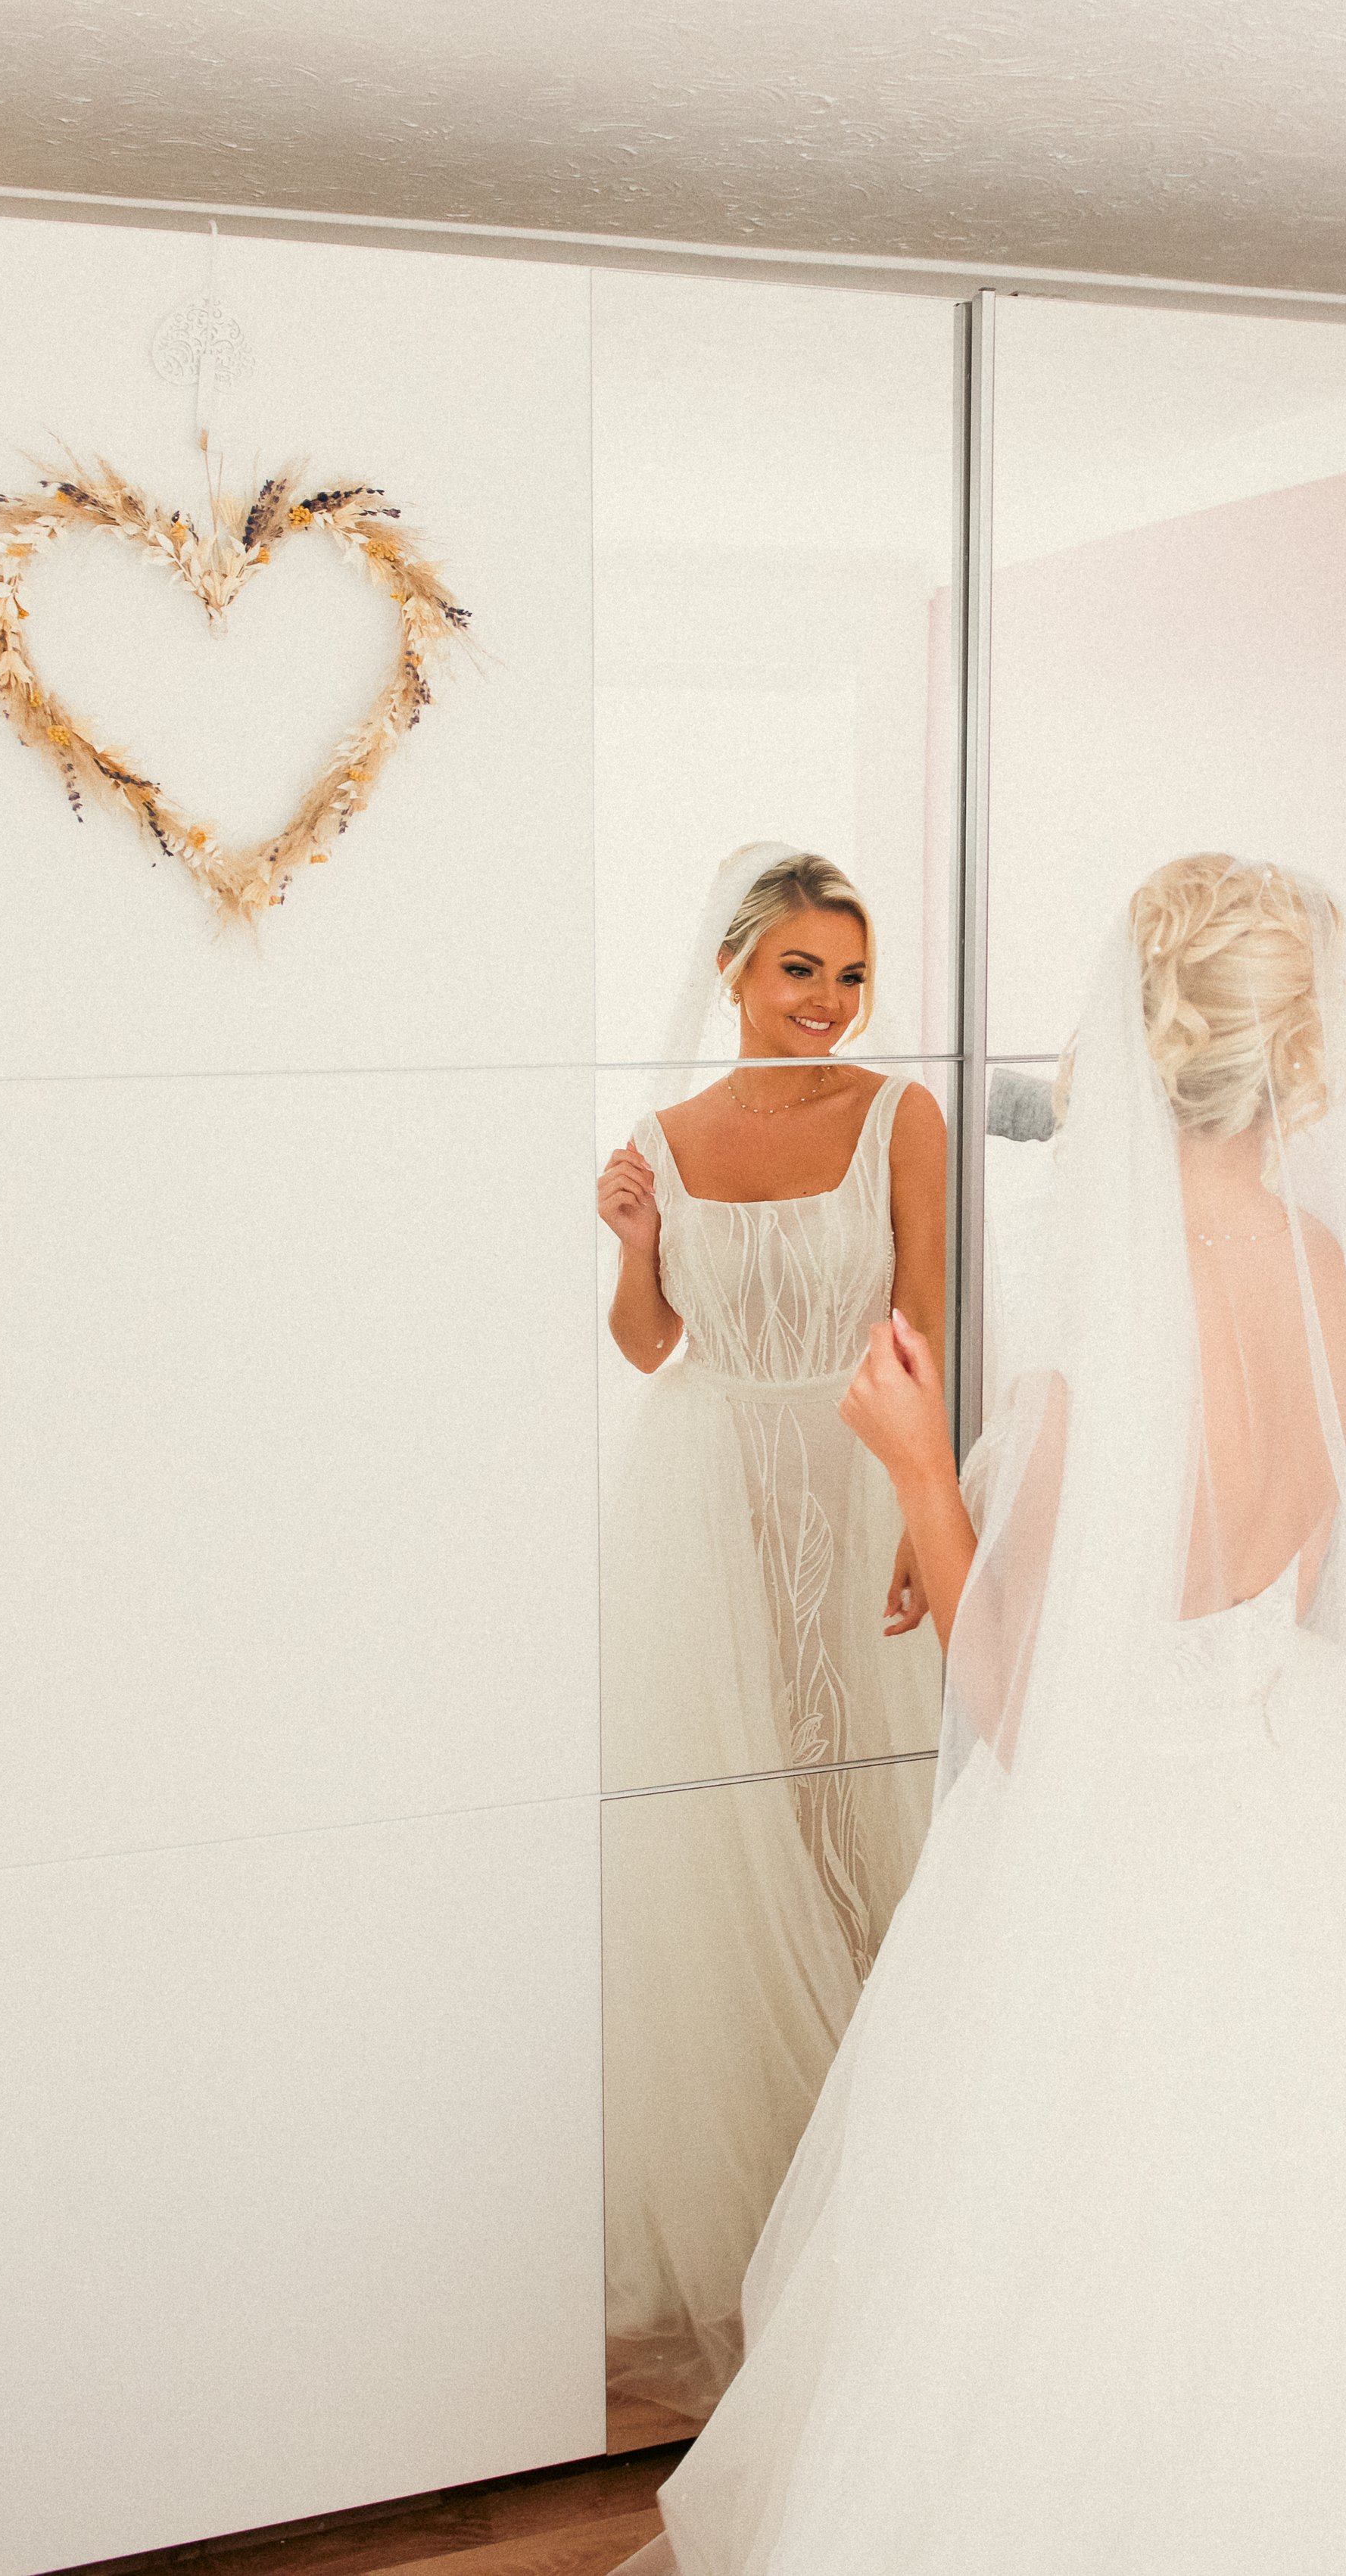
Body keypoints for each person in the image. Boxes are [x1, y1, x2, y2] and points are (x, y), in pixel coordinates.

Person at [621, 852, 1346, 2573]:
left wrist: (919, 1475)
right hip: (1306, 1771)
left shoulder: (1112, 1328)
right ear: (1301, 1060)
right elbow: (1243, 1565)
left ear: (1132, 1051)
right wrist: (983, 1515)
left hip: (1134, 1828)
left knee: (1091, 2274)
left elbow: (1028, 1705)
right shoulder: (1325, 1267)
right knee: (1342, 2257)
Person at [597, 842, 948, 2424]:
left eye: (850, 972)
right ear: (734, 968)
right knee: (743, 1813)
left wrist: (923, 1497)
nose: (827, 999)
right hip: (709, 1480)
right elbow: (650, 1342)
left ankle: (896, 2169)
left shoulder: (900, 1116)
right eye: (799, 967)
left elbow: (924, 1316)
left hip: (859, 1460)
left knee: (870, 1795)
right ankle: (768, 2158)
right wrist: (626, 1241)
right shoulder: (661, 1138)